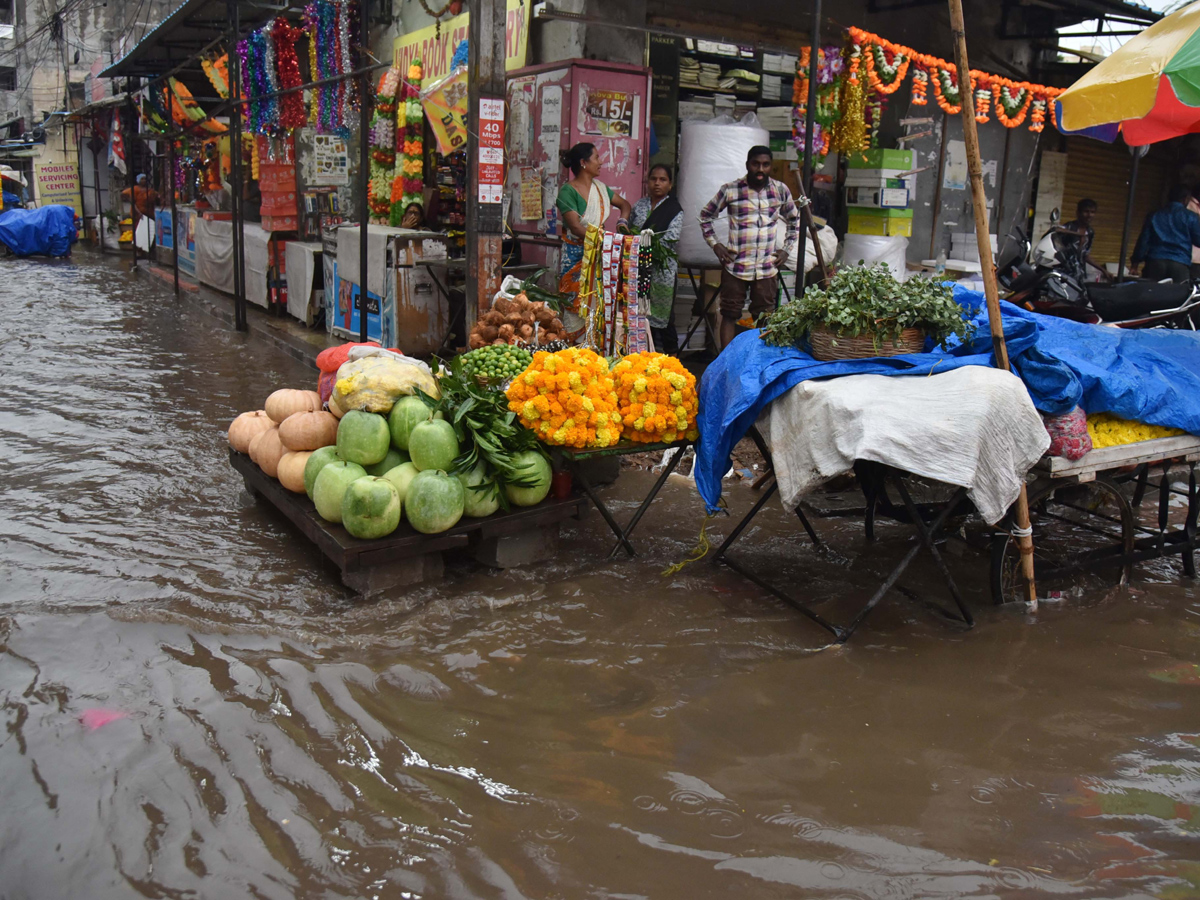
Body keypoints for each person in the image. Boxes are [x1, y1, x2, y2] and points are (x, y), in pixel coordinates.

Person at [698, 145, 800, 348]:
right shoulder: (731, 190)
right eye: (756, 164)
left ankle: (757, 363)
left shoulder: (780, 190)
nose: (760, 169)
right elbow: (705, 216)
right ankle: (726, 362)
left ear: (771, 166)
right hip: (735, 266)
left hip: (766, 268)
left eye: (765, 165)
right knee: (729, 314)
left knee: (765, 318)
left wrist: (786, 250)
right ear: (747, 165)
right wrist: (716, 245)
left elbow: (793, 220)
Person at [555, 142, 632, 313]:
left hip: (599, 257)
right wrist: (607, 241)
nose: (600, 162)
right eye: (596, 157)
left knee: (598, 313)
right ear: (584, 162)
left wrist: (622, 224)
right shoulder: (568, 192)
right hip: (576, 260)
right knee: (574, 310)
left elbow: (625, 205)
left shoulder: (601, 189)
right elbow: (575, 227)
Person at [629, 164, 683, 353]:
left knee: (664, 317)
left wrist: (644, 242)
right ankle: (642, 355)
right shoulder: (639, 205)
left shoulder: (674, 209)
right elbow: (630, 233)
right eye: (653, 179)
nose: (657, 183)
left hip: (662, 272)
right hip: (639, 269)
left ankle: (672, 360)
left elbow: (670, 239)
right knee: (639, 314)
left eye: (663, 180)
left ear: (670, 184)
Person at [1132, 185, 1200, 283]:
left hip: (1155, 262)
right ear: (1185, 199)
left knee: (1153, 295)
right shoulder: (1190, 217)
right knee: (1179, 296)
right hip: (1179, 264)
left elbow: (1143, 241)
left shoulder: (1154, 215)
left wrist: (1135, 263)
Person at [1063, 198, 1110, 281]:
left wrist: (1103, 270)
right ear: (1078, 213)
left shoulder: (1090, 232)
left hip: (1079, 274)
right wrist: (1078, 234)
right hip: (1064, 272)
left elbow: (1085, 256)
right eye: (1086, 211)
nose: (1089, 215)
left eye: (1092, 212)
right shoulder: (1069, 227)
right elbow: (1056, 230)